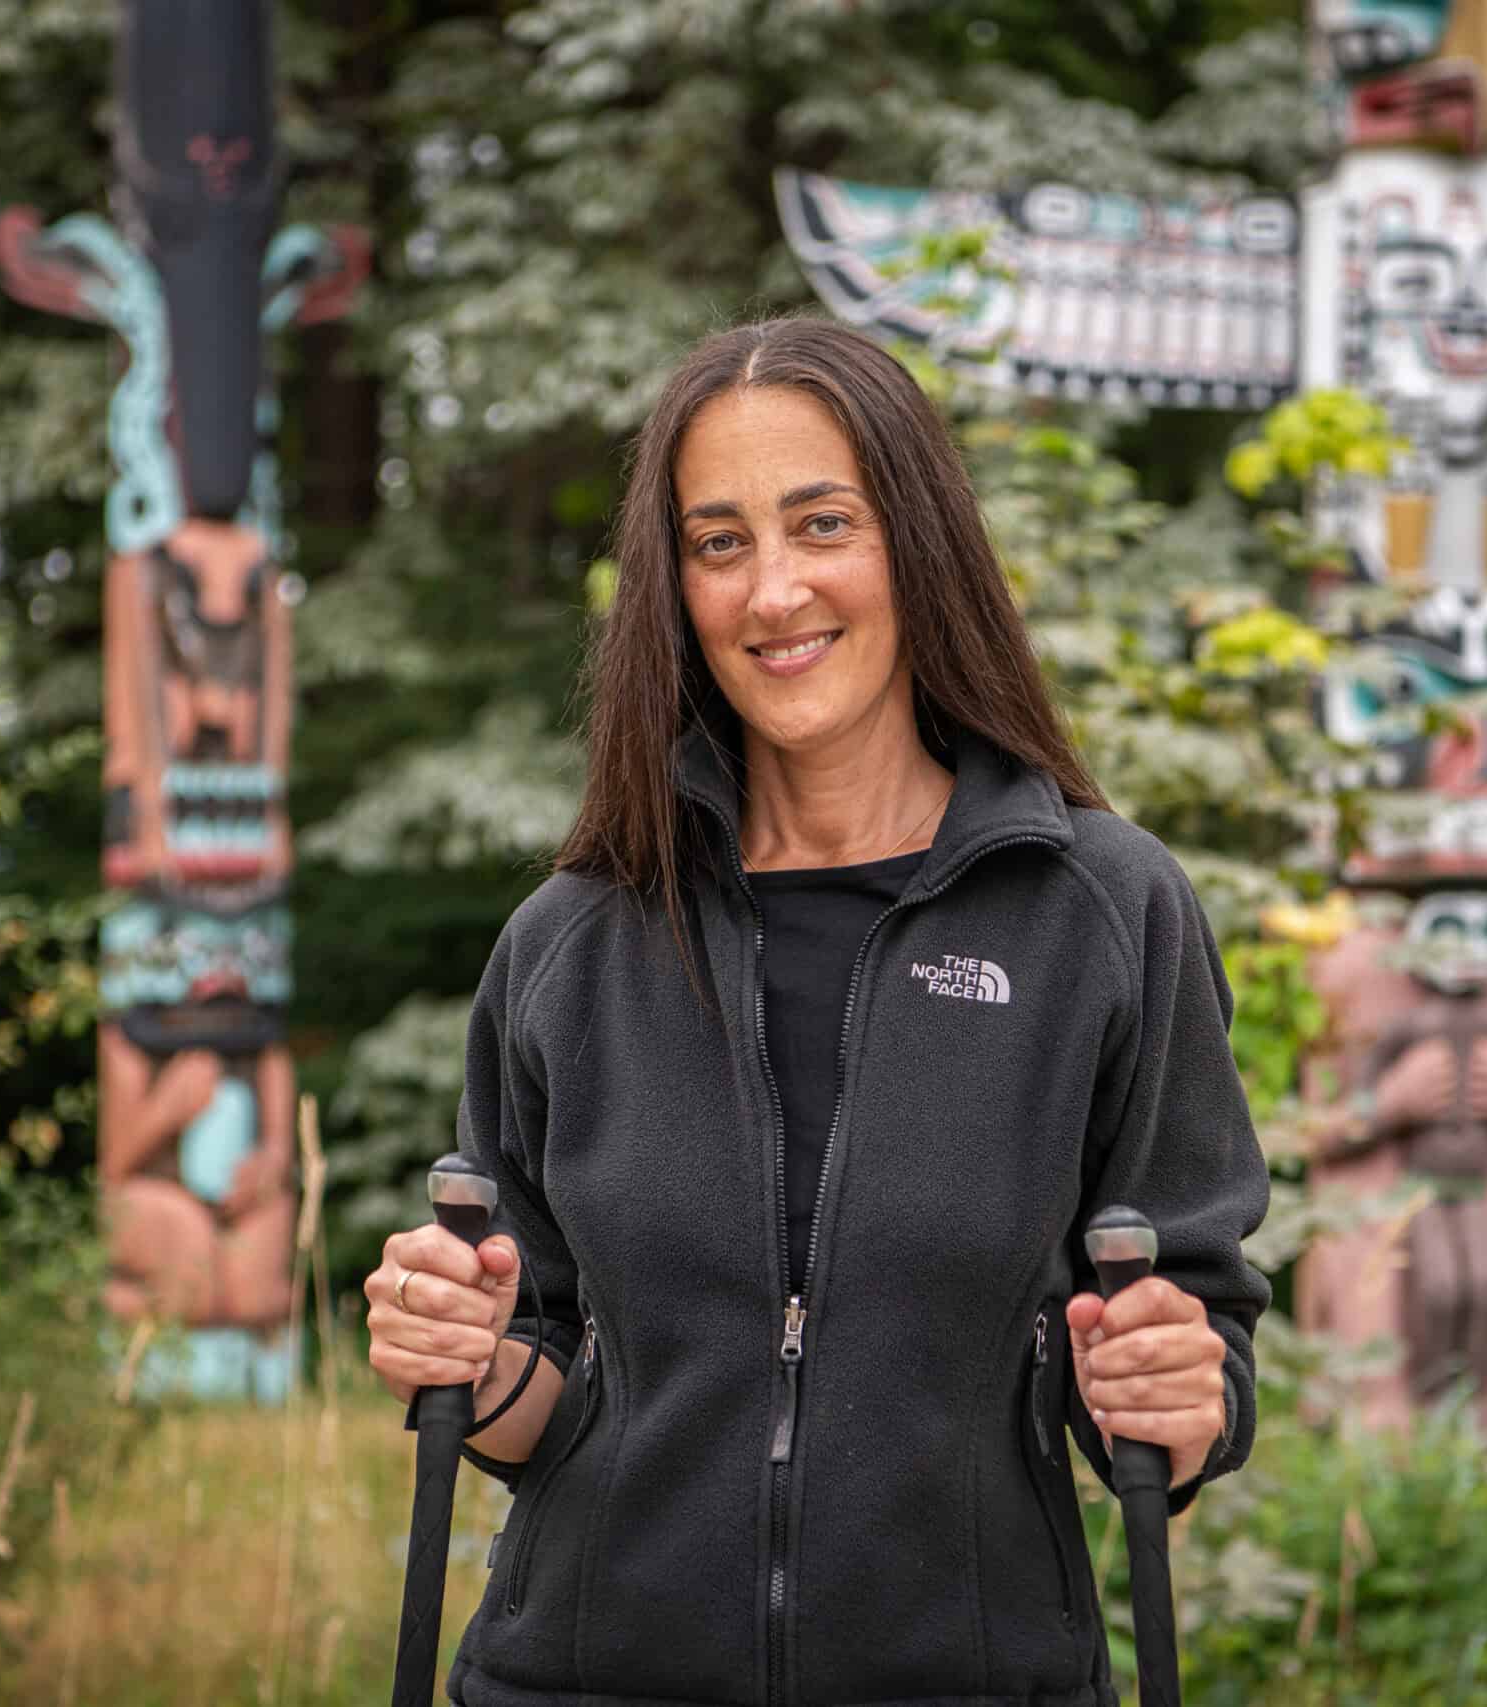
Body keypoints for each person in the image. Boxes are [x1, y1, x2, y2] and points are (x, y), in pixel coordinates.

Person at [364, 316, 1269, 1707]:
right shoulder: (578, 938)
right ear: (677, 589)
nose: (773, 590)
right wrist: (470, 1363)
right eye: (719, 543)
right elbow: (539, 1377)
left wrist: (1177, 1390)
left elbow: (1187, 1350)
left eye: (821, 523)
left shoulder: (1101, 912)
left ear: (917, 540)